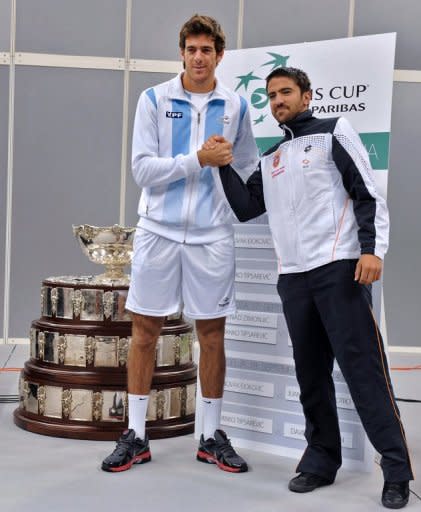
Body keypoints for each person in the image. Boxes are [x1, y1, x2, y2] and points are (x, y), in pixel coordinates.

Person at [207, 67, 413, 508]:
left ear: (306, 95)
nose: (278, 100)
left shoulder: (333, 131)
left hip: (340, 268)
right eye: (272, 96)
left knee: (363, 372)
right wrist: (225, 167)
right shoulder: (272, 156)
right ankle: (321, 459)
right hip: (294, 277)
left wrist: (372, 251)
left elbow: (367, 192)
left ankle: (396, 469)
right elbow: (246, 208)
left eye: (286, 92)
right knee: (310, 376)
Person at [101, 14, 258, 474]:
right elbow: (142, 171)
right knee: (144, 334)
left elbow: (246, 170)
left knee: (211, 336)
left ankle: (209, 437)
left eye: (206, 49)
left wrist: (224, 174)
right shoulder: (153, 99)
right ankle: (135, 435)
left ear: (219, 55)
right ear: (181, 53)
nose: (198, 57)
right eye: (190, 49)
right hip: (159, 233)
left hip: (212, 237)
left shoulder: (236, 106)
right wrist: (198, 159)